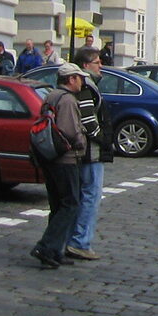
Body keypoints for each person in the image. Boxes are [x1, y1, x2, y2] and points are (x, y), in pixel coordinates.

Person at [31, 64, 88, 269]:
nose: (82, 81)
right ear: (71, 79)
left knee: (57, 205)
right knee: (70, 203)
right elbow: (70, 131)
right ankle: (46, 246)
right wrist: (83, 142)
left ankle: (55, 251)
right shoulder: (68, 100)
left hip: (49, 157)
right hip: (66, 159)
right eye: (79, 78)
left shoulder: (50, 96)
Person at [66, 54, 113, 261]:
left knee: (81, 196)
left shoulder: (85, 86)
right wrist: (103, 140)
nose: (101, 65)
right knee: (90, 196)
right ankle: (79, 242)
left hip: (83, 152)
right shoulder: (86, 87)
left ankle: (72, 239)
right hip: (90, 153)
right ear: (85, 66)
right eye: (97, 62)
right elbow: (88, 121)